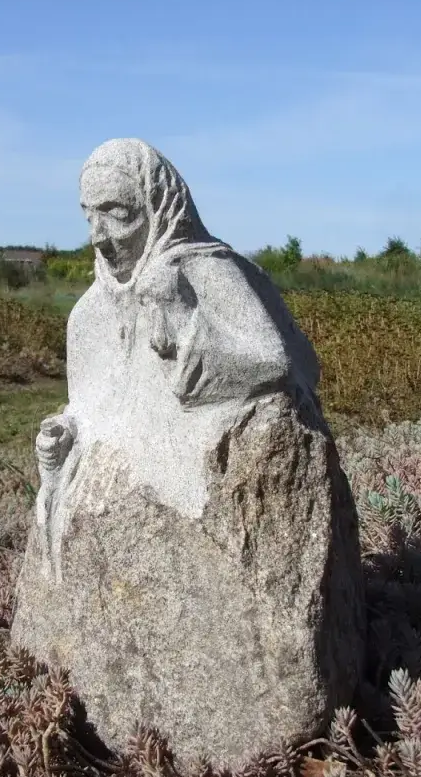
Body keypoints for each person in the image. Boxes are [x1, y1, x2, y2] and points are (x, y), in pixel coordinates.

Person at [32, 138, 322, 576]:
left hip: (206, 541)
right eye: (89, 214)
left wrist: (183, 319)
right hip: (107, 542)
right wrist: (61, 444)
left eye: (118, 214)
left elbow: (275, 364)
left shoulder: (207, 271)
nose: (99, 236)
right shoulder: (87, 316)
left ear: (158, 207)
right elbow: (90, 408)